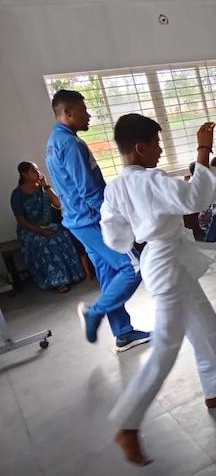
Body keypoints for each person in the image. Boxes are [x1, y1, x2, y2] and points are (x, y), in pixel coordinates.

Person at [101, 117, 216, 465]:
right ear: (139, 147)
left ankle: (215, 389)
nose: (160, 149)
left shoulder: (115, 188)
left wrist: (140, 233)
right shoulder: (150, 180)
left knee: (205, 322)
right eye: (156, 142)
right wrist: (202, 149)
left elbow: (114, 235)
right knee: (167, 344)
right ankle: (128, 423)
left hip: (161, 257)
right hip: (165, 261)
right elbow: (195, 198)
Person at [46, 90, 148, 352]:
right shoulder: (70, 144)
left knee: (109, 274)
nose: (88, 115)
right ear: (68, 112)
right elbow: (88, 189)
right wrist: (113, 217)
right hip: (91, 220)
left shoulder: (55, 141)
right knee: (133, 267)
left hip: (79, 221)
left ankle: (123, 333)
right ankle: (95, 313)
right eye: (83, 110)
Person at [11, 161, 85, 292]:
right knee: (45, 243)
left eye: (38, 170)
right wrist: (40, 230)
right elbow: (21, 220)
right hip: (31, 229)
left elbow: (58, 204)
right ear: (24, 175)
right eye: (33, 171)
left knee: (65, 234)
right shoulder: (18, 194)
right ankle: (58, 281)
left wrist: (46, 186)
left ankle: (74, 274)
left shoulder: (43, 188)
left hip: (51, 225)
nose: (38, 173)